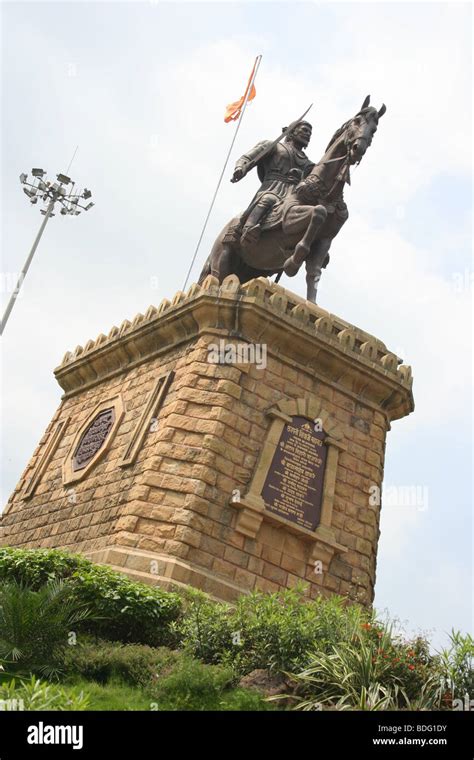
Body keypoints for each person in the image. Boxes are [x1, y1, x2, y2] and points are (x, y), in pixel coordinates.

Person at [225, 121, 315, 247]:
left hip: (294, 193)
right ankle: (247, 229)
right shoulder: (274, 146)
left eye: (310, 133)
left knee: (311, 211)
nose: (308, 134)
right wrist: (240, 168)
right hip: (273, 187)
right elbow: (247, 158)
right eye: (305, 130)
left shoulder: (309, 163)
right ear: (292, 131)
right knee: (268, 199)